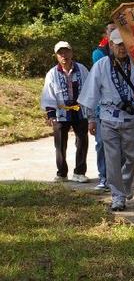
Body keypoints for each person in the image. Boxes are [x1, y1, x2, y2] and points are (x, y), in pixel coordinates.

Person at [78, 29, 134, 211]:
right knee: (112, 159)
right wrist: (91, 118)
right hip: (108, 118)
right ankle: (118, 196)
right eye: (118, 44)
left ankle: (124, 184)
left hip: (131, 118)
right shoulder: (101, 66)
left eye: (125, 44)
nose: (122, 48)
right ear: (111, 45)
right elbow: (90, 93)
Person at [40, 41, 90, 183]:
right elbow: (48, 93)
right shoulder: (52, 73)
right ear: (56, 56)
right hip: (60, 113)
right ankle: (62, 173)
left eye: (66, 52)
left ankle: (79, 172)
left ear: (71, 53)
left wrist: (91, 111)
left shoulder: (82, 69)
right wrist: (50, 113)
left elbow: (89, 88)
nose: (64, 55)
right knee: (60, 144)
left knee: (82, 142)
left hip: (80, 110)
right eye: (60, 53)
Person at [91, 21, 116, 190]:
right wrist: (91, 116)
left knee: (121, 148)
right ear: (105, 34)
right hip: (103, 107)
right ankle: (104, 176)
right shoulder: (99, 54)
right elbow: (97, 83)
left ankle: (117, 178)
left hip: (124, 111)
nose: (113, 32)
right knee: (101, 143)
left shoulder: (128, 52)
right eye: (110, 30)